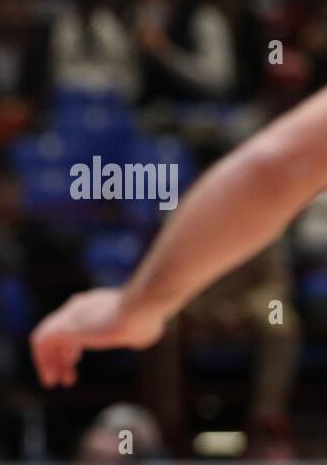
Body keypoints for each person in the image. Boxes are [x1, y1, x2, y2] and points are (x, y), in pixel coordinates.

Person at [31, 84, 327, 387]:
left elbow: (273, 172)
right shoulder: (180, 213)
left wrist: (131, 309)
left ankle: (268, 418)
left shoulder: (215, 209)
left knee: (277, 321)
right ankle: (168, 417)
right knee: (166, 324)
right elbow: (273, 172)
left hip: (245, 301)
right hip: (197, 302)